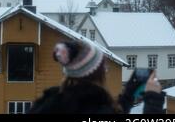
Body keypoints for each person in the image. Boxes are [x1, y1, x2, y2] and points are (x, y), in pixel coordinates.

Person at [27, 40, 165, 114]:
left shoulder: (48, 103)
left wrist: (128, 94)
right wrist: (153, 101)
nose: (106, 70)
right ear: (96, 74)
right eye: (103, 67)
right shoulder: (95, 107)